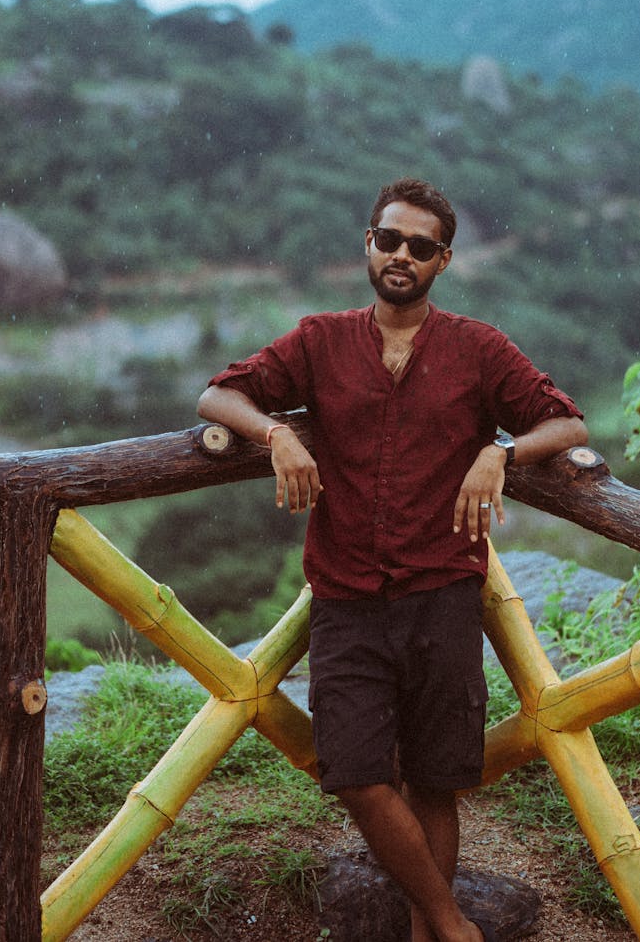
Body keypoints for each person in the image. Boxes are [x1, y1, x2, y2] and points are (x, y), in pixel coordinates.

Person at [197, 177, 588, 942]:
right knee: (356, 770)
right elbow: (219, 396)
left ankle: (425, 931)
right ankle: (451, 923)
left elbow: (566, 422)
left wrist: (499, 452)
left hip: (444, 589)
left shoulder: (478, 348)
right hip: (346, 595)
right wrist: (277, 435)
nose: (400, 255)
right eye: (388, 239)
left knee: (438, 778)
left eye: (419, 245)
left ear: (443, 259)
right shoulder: (319, 340)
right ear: (367, 245)